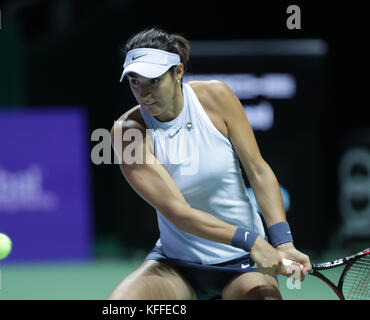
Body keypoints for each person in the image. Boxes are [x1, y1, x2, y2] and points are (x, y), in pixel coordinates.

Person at [108, 27, 312, 300]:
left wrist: (283, 242)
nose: (143, 93)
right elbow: (178, 212)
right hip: (177, 265)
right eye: (135, 81)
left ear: (178, 72)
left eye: (154, 81)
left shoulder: (216, 97)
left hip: (240, 264)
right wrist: (252, 241)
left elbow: (258, 170)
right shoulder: (128, 132)